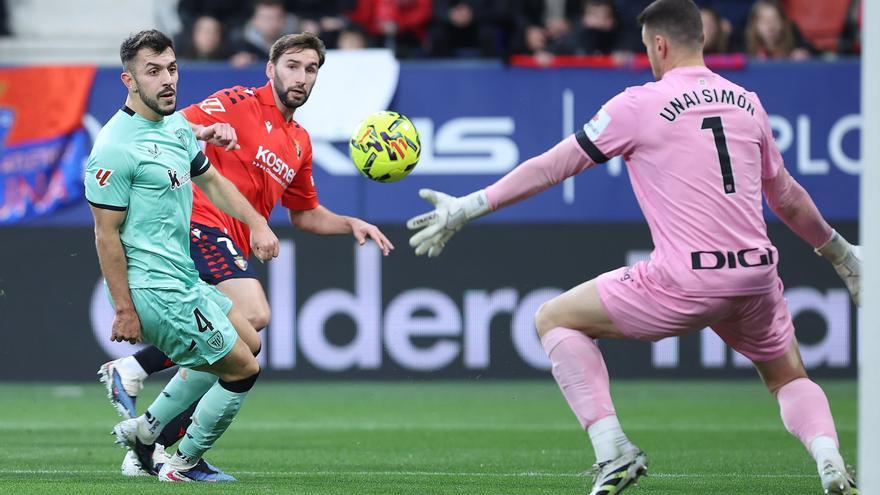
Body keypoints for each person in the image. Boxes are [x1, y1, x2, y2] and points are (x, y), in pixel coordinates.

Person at [405, 1, 860, 493]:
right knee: (789, 378)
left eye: (648, 49)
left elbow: (552, 166)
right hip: (756, 276)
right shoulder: (746, 101)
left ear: (659, 45)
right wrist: (841, 254)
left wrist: (467, 207)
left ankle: (613, 451)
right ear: (701, 40)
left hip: (685, 280)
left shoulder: (638, 104)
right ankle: (829, 459)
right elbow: (787, 198)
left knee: (553, 319)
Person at [98, 31, 394, 476]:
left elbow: (304, 213)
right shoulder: (239, 100)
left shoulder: (300, 142)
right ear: (270, 69)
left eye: (311, 69)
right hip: (199, 221)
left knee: (241, 346)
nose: (301, 77)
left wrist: (348, 223)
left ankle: (148, 440)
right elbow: (170, 123)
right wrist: (206, 131)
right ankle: (136, 372)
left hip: (233, 240)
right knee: (254, 313)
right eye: (292, 65)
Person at [86, 29, 281, 482]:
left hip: (185, 278)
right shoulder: (114, 147)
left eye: (171, 68)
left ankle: (145, 433)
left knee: (249, 341)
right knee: (244, 368)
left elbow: (212, 182)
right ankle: (182, 461)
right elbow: (105, 236)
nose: (167, 79)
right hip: (155, 289)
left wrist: (256, 222)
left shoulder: (175, 126)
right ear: (129, 81)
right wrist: (123, 310)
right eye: (152, 72)